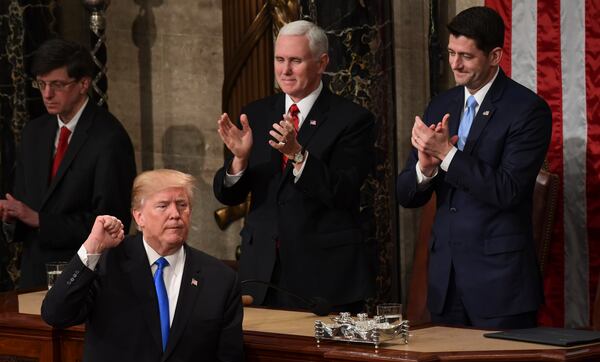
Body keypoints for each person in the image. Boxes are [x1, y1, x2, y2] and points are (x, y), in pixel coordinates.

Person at [397, 6, 552, 329]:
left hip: (499, 286)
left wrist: (448, 155)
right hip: (445, 282)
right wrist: (425, 169)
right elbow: (406, 196)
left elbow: (507, 190)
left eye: (466, 56)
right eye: (451, 53)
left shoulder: (527, 110)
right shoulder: (441, 104)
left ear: (495, 56)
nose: (455, 64)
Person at [213, 20, 375, 313]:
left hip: (323, 277)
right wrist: (239, 160)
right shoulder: (257, 113)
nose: (285, 70)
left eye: (295, 61)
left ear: (322, 62)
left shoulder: (352, 119)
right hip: (261, 273)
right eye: (279, 60)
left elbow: (343, 192)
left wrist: (298, 155)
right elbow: (229, 197)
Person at [42, 169, 245, 362]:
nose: (175, 214)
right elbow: (55, 313)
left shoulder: (219, 279)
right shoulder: (108, 262)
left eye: (182, 205)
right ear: (139, 217)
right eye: (163, 206)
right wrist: (92, 247)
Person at [0, 38, 136, 289]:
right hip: (34, 276)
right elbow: (24, 207)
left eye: (57, 85)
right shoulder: (34, 133)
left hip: (85, 277)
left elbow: (112, 224)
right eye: (41, 84)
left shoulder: (109, 138)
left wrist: (40, 220)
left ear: (83, 84)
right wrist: (10, 218)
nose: (47, 94)